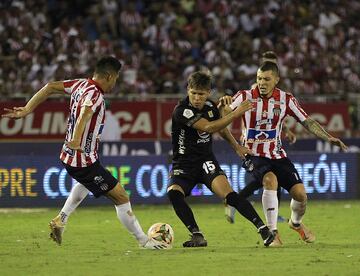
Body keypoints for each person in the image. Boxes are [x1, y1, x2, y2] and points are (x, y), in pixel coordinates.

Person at [2, 56, 164, 249]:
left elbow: (50, 86)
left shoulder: (79, 84)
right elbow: (85, 113)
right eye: (116, 79)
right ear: (110, 76)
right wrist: (77, 139)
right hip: (82, 160)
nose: (115, 83)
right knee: (121, 197)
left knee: (85, 184)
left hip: (72, 156)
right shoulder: (95, 94)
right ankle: (143, 241)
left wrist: (28, 109)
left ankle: (61, 219)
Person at [221, 61, 347, 246]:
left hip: (277, 154)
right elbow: (225, 113)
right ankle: (273, 233)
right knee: (269, 180)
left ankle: (295, 223)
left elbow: (307, 121)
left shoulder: (286, 99)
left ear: (276, 80)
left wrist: (328, 137)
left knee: (301, 194)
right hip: (253, 153)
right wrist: (224, 105)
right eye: (259, 79)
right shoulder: (245, 96)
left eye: (266, 79)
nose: (261, 83)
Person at [167, 71, 275, 248]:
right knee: (174, 193)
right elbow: (209, 127)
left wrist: (236, 146)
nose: (196, 97)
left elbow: (222, 128)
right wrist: (235, 113)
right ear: (188, 90)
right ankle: (197, 234)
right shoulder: (182, 110)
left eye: (201, 94)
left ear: (208, 92)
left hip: (205, 161)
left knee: (229, 195)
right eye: (193, 92)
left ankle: (263, 229)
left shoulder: (210, 107)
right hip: (184, 164)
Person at [224, 51, 296, 224]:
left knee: (270, 179)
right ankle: (234, 202)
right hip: (252, 143)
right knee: (265, 179)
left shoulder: (277, 94)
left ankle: (269, 210)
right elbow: (245, 112)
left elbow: (272, 115)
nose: (263, 80)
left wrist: (285, 128)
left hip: (269, 144)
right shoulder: (253, 91)